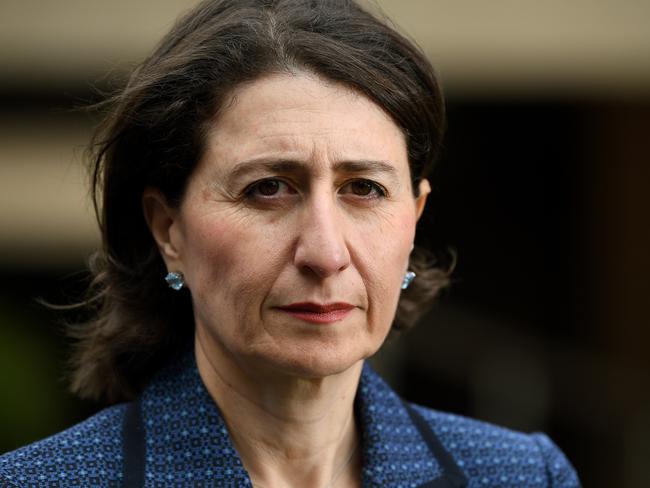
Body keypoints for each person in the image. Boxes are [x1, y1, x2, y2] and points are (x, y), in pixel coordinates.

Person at [0, 0, 580, 486]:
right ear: (167, 229)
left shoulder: (523, 475)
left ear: (415, 217)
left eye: (365, 189)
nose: (326, 254)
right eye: (268, 189)